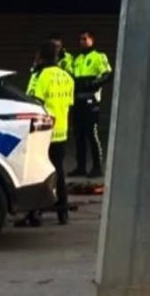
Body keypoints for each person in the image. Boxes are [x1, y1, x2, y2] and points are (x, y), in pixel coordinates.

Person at [25, 42, 75, 225]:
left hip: (43, 132)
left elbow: (33, 102)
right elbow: (69, 103)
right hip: (61, 130)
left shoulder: (40, 76)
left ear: (41, 57)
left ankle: (34, 214)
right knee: (59, 171)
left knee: (37, 172)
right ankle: (63, 212)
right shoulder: (66, 76)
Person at [69, 31, 112, 178]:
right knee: (79, 135)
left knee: (92, 134)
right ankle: (80, 167)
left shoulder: (99, 57)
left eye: (85, 39)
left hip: (91, 101)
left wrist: (93, 84)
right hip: (78, 101)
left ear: (92, 40)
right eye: (80, 39)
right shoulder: (77, 59)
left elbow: (107, 75)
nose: (82, 41)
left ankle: (97, 167)